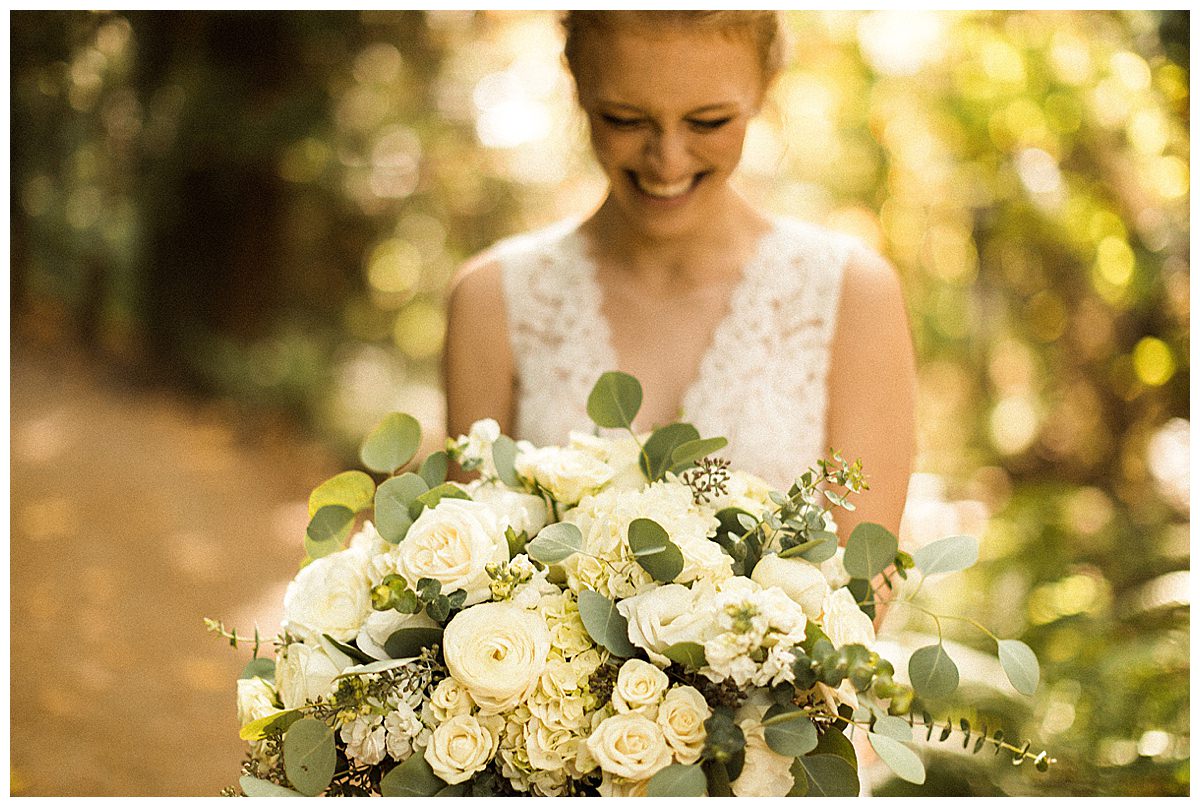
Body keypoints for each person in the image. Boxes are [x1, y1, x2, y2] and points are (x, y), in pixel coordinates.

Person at [443, 10, 915, 552]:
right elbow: (464, 576)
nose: (666, 161)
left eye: (709, 122)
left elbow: (862, 591)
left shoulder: (851, 295)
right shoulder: (492, 299)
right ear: (577, 81)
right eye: (624, 119)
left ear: (765, 87)